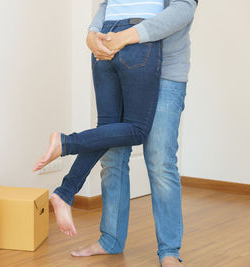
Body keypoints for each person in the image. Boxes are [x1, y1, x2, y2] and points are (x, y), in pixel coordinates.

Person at [34, 0, 198, 266]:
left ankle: (169, 251)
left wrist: (126, 37)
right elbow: (107, 5)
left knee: (159, 161)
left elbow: (183, 9)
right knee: (112, 157)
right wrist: (91, 34)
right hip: (118, 58)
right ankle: (110, 239)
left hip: (166, 72)